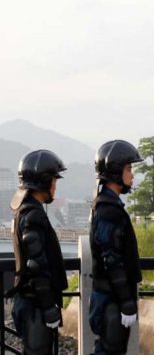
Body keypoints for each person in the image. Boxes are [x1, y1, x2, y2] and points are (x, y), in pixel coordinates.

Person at [8, 150, 68, 354]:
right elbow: (36, 264)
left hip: (30, 302)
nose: (55, 186)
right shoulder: (33, 215)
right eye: (53, 180)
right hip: (35, 305)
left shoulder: (24, 211)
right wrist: (49, 306)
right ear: (43, 180)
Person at [89, 140, 143, 354]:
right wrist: (125, 300)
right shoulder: (109, 210)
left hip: (111, 296)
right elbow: (111, 259)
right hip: (111, 298)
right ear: (114, 172)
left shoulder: (107, 205)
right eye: (128, 169)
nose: (131, 175)